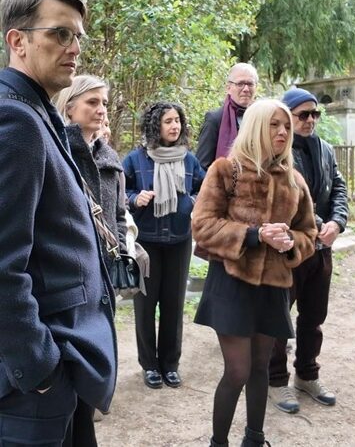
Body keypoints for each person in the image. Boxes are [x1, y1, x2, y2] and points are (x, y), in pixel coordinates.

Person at [0, 0, 117, 445]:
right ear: (18, 41)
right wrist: (41, 369)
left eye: (78, 37)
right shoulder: (15, 120)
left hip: (60, 364)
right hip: (33, 387)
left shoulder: (37, 112)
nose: (74, 48)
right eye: (60, 34)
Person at [192, 99, 317, 447]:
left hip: (273, 286)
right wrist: (254, 234)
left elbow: (309, 233)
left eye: (286, 126)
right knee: (237, 371)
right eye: (274, 124)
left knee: (261, 367)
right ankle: (218, 442)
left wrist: (290, 242)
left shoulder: (294, 180)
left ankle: (255, 439)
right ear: (256, 127)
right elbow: (202, 226)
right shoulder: (225, 170)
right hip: (231, 283)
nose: (282, 132)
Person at [55, 74, 127, 446]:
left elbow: (119, 214)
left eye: (104, 103)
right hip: (70, 284)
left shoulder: (108, 156)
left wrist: (121, 253)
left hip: (103, 280)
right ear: (69, 107)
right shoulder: (57, 152)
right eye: (92, 102)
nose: (101, 110)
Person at [268, 88, 348, 414]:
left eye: (315, 114)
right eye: (303, 114)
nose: (310, 120)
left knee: (314, 316)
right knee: (278, 318)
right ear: (288, 116)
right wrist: (318, 224)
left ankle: (307, 374)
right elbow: (286, 197)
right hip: (289, 249)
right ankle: (275, 380)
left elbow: (339, 187)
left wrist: (338, 222)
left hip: (320, 250)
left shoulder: (324, 148)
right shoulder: (278, 151)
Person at [123, 102, 206, 390]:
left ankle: (170, 364)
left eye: (177, 121)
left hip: (179, 240)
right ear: (155, 125)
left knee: (173, 304)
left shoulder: (189, 160)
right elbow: (119, 191)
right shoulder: (135, 159)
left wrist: (191, 201)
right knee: (145, 307)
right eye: (168, 121)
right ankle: (149, 365)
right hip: (146, 242)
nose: (174, 126)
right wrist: (135, 198)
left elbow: (204, 188)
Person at [196, 62, 258, 170]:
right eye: (240, 84)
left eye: (250, 84)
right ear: (228, 88)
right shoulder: (215, 119)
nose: (246, 89)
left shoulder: (261, 119)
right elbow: (202, 166)